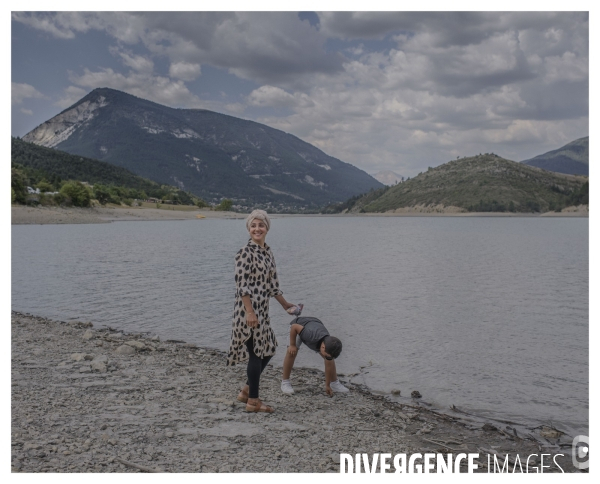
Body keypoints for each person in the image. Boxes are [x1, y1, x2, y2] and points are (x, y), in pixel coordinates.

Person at [227, 209, 296, 413]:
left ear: (267, 228)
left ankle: (247, 390)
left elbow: (272, 285)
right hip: (247, 311)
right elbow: (242, 287)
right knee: (256, 353)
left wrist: (285, 305)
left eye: (261, 225)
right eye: (253, 225)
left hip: (262, 312)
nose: (257, 228)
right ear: (249, 229)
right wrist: (249, 312)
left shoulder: (267, 252)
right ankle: (253, 402)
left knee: (269, 348)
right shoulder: (244, 253)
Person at [281, 316, 349, 396]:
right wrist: (292, 345)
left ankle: (334, 383)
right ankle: (285, 382)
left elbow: (328, 363)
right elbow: (294, 327)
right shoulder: (310, 335)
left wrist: (327, 385)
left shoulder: (329, 342)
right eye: (327, 356)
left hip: (314, 324)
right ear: (323, 347)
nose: (328, 357)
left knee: (329, 360)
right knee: (292, 352)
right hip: (297, 326)